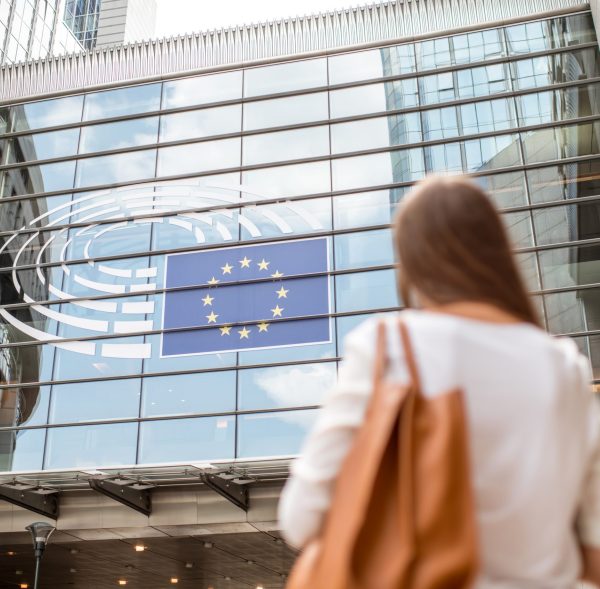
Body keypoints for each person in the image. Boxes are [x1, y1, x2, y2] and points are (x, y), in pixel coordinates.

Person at [278, 176, 600, 587]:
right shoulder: (565, 366)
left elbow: (301, 517)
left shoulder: (388, 346)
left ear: (412, 263)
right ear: (498, 253)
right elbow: (594, 542)